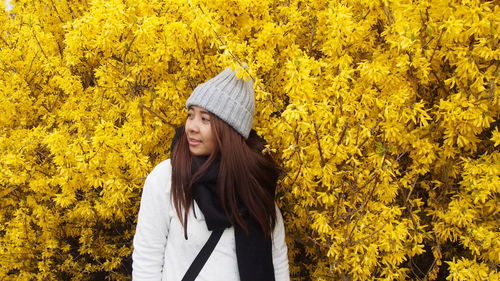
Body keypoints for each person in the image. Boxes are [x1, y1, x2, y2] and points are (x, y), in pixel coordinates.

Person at [132, 67, 290, 281]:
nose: (191, 127)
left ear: (229, 130)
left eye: (205, 119)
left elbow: (277, 263)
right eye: (191, 115)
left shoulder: (254, 184)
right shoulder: (166, 178)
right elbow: (147, 261)